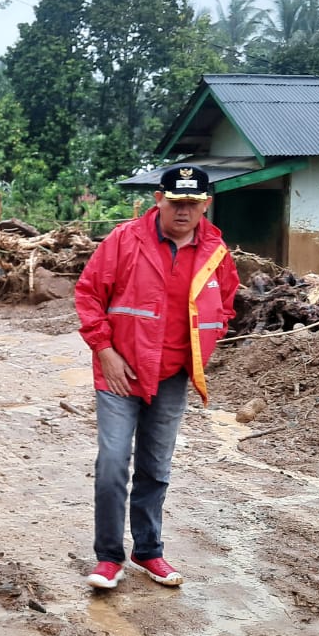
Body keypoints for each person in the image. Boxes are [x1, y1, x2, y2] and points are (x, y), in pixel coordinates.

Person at [74, 164, 238, 590]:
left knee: (156, 468)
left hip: (172, 376)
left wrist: (202, 350)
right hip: (119, 372)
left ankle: (148, 550)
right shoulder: (124, 240)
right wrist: (105, 351)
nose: (183, 211)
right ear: (158, 199)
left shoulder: (217, 253)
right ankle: (108, 557)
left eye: (192, 203)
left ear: (206, 204)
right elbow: (89, 293)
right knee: (112, 464)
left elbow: (225, 307)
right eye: (175, 202)